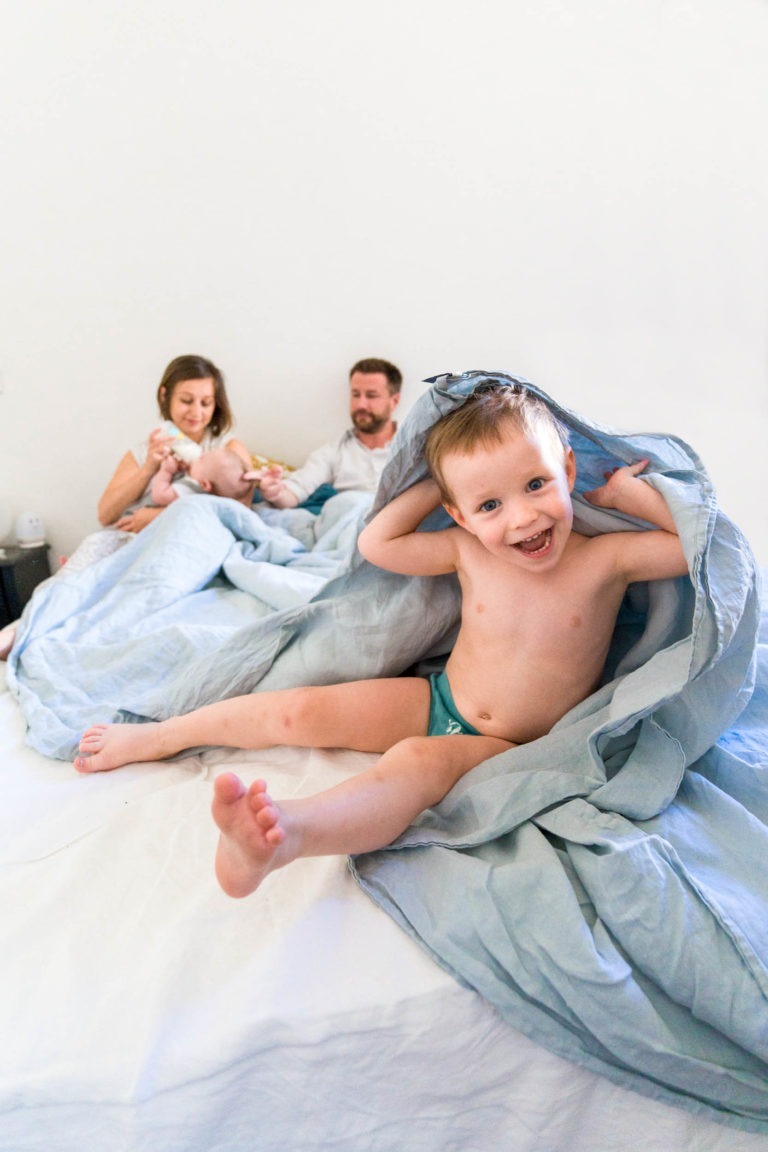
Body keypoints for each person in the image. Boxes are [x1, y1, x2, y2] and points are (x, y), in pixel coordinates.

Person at [74, 384, 688, 899]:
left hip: (509, 744)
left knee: (416, 765)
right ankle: (161, 736)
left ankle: (287, 834)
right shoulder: (467, 546)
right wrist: (435, 485)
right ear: (462, 513)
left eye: (535, 485)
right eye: (490, 503)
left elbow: (693, 552)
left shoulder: (606, 560)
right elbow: (377, 545)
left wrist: (626, 497)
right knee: (301, 707)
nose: (522, 518)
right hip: (439, 699)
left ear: (569, 471)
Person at [98, 354, 252, 533]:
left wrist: (160, 516)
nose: (196, 412)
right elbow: (105, 515)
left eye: (206, 403)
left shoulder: (227, 448)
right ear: (165, 396)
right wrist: (148, 469)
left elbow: (242, 510)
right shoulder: (143, 452)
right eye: (186, 401)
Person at [256, 358, 402, 508]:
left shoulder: (416, 449)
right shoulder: (333, 452)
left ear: (394, 401)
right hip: (350, 522)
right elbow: (296, 490)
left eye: (371, 395)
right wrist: (275, 492)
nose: (360, 404)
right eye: (356, 394)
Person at [150, 448, 256, 508]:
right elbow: (196, 474)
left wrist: (166, 471)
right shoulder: (205, 486)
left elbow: (159, 496)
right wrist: (186, 469)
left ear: (204, 484)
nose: (198, 456)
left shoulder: (191, 489)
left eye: (201, 459)